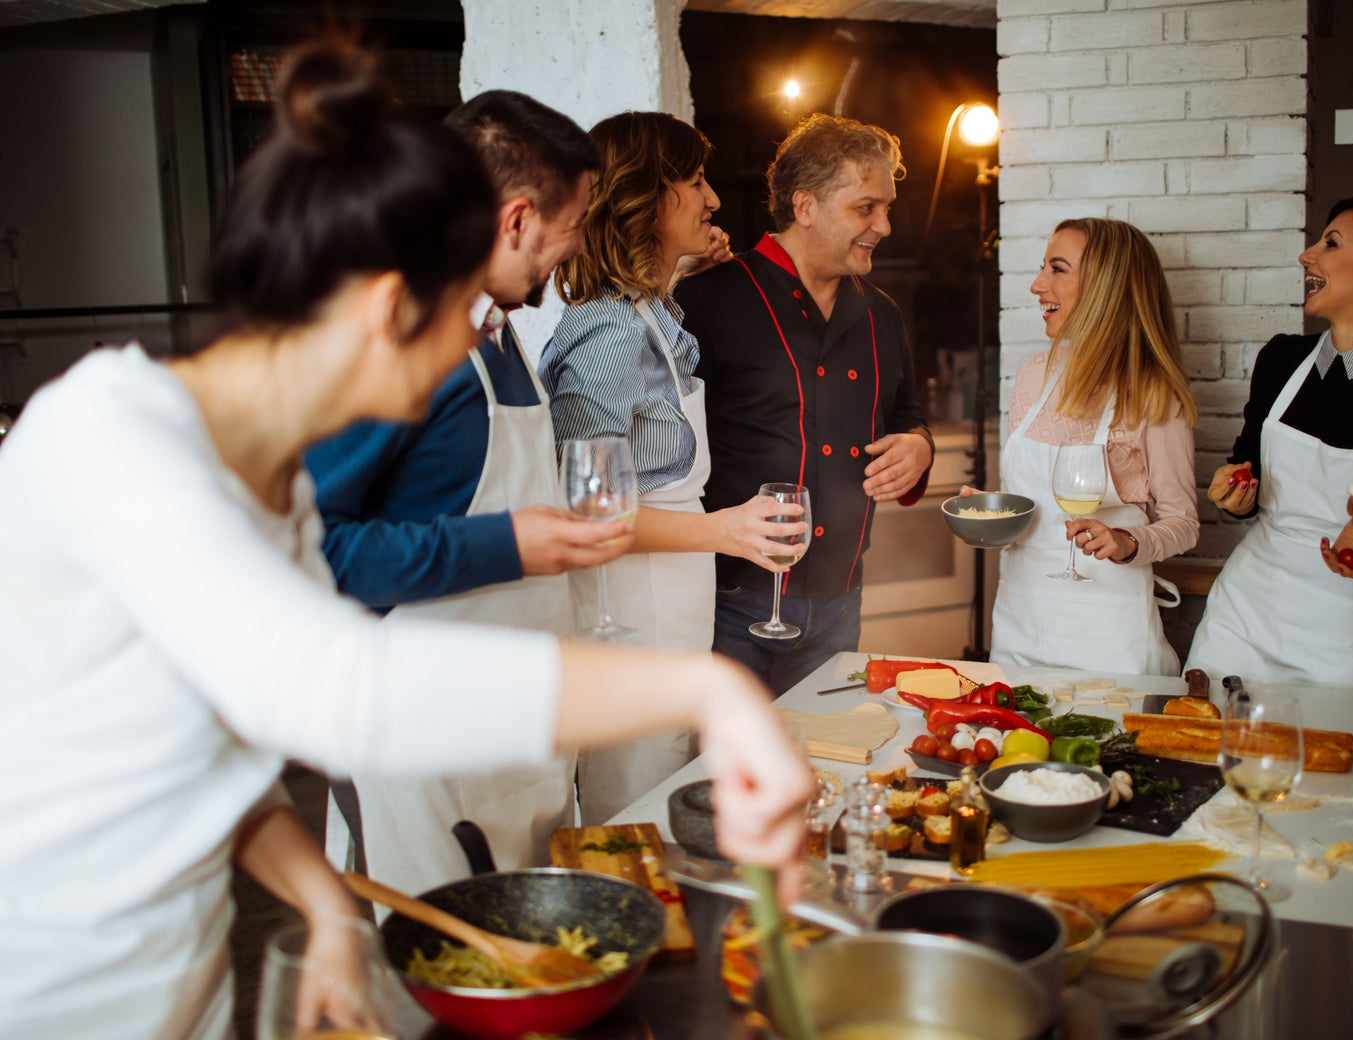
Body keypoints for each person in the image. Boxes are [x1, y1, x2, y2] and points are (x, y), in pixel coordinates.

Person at [0, 42, 811, 1040]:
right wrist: (708, 691)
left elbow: (224, 753)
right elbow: (339, 690)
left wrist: (331, 904)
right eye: (456, 327)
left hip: (188, 980)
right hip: (53, 991)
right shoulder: (112, 440)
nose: (477, 343)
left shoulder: (275, 488)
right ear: (390, 308)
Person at [304, 90, 617, 899]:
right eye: (574, 224)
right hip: (416, 742)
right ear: (516, 221)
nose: (574, 248)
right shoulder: (397, 333)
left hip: (508, 731)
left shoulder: (495, 326)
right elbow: (314, 548)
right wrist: (508, 543)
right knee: (432, 980)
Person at [541, 111, 806, 824]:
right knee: (630, 796)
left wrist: (678, 267)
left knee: (662, 771)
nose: (712, 199)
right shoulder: (608, 331)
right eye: (692, 181)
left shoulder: (648, 313)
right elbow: (583, 510)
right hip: (627, 603)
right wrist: (726, 531)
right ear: (646, 200)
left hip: (669, 592)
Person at [673, 113, 933, 696]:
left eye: (887, 208)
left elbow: (906, 414)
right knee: (723, 776)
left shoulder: (882, 313)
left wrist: (918, 446)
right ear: (806, 205)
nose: (885, 226)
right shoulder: (707, 298)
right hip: (729, 603)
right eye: (866, 208)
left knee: (822, 768)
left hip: (842, 599)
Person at [1187, 195, 1353, 692]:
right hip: (1245, 612)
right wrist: (1235, 492)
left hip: (1347, 629)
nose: (1307, 255)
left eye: (1331, 242)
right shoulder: (1283, 359)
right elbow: (1249, 470)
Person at [969, 218, 1198, 675]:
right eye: (1043, 268)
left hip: (1108, 634)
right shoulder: (1034, 374)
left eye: (1058, 269)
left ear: (1106, 288)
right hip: (1021, 619)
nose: (1038, 285)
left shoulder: (1153, 393)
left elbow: (1184, 523)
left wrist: (1128, 541)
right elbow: (1028, 504)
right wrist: (993, 514)